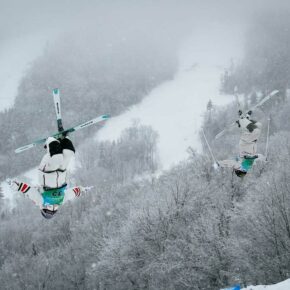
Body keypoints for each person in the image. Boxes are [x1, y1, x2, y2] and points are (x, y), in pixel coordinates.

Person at [9, 136, 91, 219]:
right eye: (52, 211)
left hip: (46, 172)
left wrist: (17, 186)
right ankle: (64, 138)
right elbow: (72, 193)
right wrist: (82, 190)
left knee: (57, 158)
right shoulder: (61, 201)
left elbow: (30, 191)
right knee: (69, 153)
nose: (52, 209)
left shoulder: (41, 201)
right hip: (61, 172)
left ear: (43, 210)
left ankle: (50, 140)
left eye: (48, 211)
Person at [218, 110, 266, 177]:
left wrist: (219, 164)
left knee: (256, 130)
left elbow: (229, 163)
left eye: (243, 171)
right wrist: (263, 158)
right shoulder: (249, 165)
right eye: (245, 171)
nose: (244, 170)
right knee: (258, 126)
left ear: (239, 170)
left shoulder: (239, 165)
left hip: (246, 142)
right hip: (251, 141)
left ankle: (242, 119)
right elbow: (257, 157)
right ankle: (246, 119)